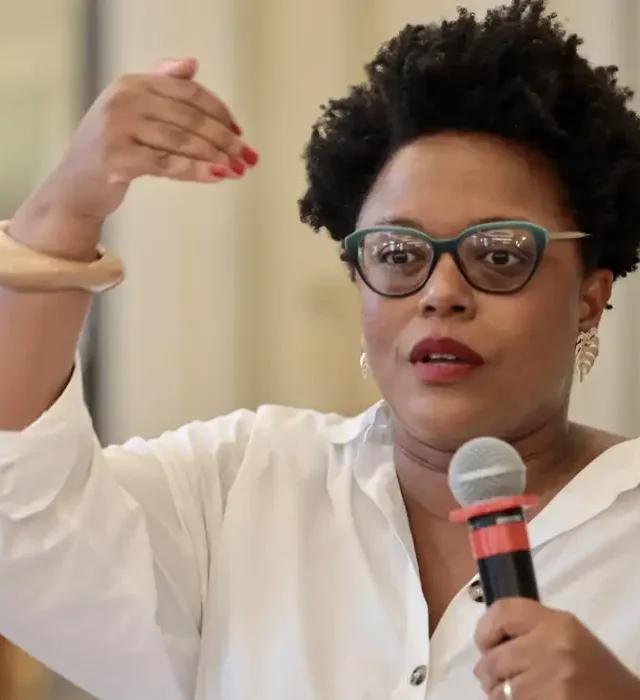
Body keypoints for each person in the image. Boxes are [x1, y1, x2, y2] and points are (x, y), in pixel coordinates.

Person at [1, 1, 640, 698]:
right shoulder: (244, 490)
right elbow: (21, 516)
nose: (441, 293)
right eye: (397, 254)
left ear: (589, 296)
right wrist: (65, 207)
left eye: (499, 255)